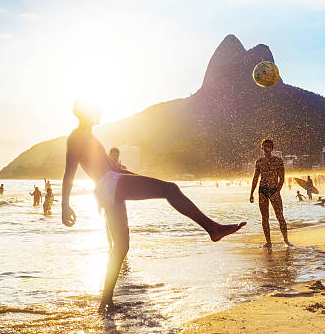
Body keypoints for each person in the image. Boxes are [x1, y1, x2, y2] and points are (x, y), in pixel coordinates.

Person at [61, 98, 246, 313]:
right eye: (96, 107)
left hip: (108, 186)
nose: (101, 109)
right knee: (171, 189)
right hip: (109, 184)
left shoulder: (90, 137)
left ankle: (105, 302)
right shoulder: (77, 137)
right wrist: (64, 205)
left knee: (121, 246)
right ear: (85, 112)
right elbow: (69, 174)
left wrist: (145, 180)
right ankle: (212, 228)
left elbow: (117, 171)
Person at [250, 139, 291, 248]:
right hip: (262, 190)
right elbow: (255, 178)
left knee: (280, 216)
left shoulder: (278, 161)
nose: (268, 148)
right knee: (265, 218)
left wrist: (278, 191)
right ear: (262, 148)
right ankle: (268, 242)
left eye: (270, 146)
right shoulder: (259, 162)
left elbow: (282, 178)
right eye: (266, 146)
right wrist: (251, 193)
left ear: (272, 148)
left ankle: (286, 240)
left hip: (274, 190)